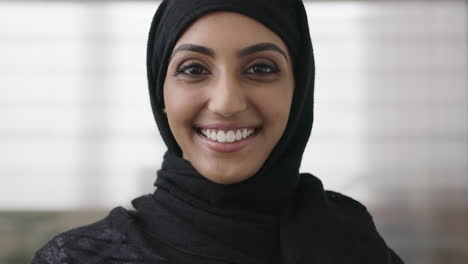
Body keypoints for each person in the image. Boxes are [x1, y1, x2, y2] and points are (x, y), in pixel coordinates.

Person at [31, 0, 405, 263]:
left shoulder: (356, 247)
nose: (226, 103)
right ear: (161, 93)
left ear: (300, 90)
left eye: (260, 69)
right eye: (193, 69)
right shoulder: (80, 258)